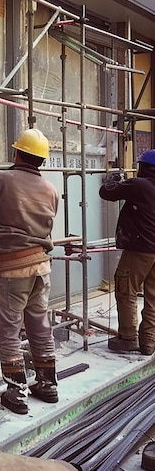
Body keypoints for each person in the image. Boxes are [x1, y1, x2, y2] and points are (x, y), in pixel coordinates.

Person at [0, 128, 59, 415]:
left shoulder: (1, 179)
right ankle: (47, 385)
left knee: (8, 330)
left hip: (14, 270)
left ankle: (16, 392)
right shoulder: (50, 189)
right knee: (39, 326)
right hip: (41, 268)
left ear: (16, 153)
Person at [99, 149, 155, 355]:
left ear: (145, 168)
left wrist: (114, 180)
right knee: (153, 296)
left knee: (126, 289)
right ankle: (149, 341)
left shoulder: (140, 185)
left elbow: (107, 192)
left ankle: (128, 336)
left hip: (141, 249)